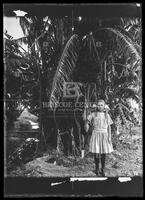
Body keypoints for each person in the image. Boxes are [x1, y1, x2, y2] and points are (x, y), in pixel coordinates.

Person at [85, 99, 113, 176]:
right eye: (98, 105)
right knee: (96, 152)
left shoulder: (107, 115)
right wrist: (87, 124)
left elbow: (109, 127)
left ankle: (103, 169)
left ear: (104, 106)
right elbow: (87, 121)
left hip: (104, 134)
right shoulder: (93, 114)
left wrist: (109, 137)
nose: (100, 106)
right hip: (96, 134)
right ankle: (97, 168)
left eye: (101, 105)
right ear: (96, 106)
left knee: (103, 153)